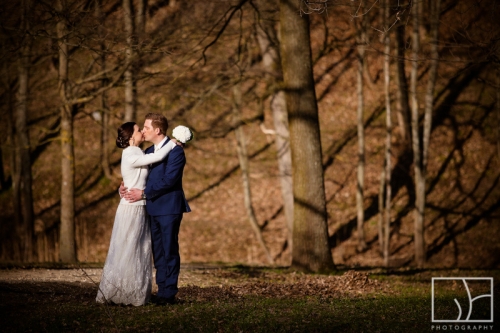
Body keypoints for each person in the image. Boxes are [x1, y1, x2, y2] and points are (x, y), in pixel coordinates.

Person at [96, 121, 177, 306]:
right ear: (131, 136)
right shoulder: (131, 153)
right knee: (127, 247)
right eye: (138, 130)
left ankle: (134, 291)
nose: (142, 131)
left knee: (139, 249)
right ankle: (119, 290)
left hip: (140, 207)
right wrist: (173, 142)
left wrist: (123, 187)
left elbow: (132, 178)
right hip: (131, 208)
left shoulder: (138, 152)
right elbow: (156, 158)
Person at [120, 113, 191, 306]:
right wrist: (125, 184)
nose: (143, 130)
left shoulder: (176, 151)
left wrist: (142, 193)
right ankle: (161, 290)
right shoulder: (149, 151)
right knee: (157, 251)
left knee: (169, 249)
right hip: (152, 208)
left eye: (146, 127)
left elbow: (169, 180)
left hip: (169, 207)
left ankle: (168, 294)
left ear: (157, 130)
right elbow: (138, 173)